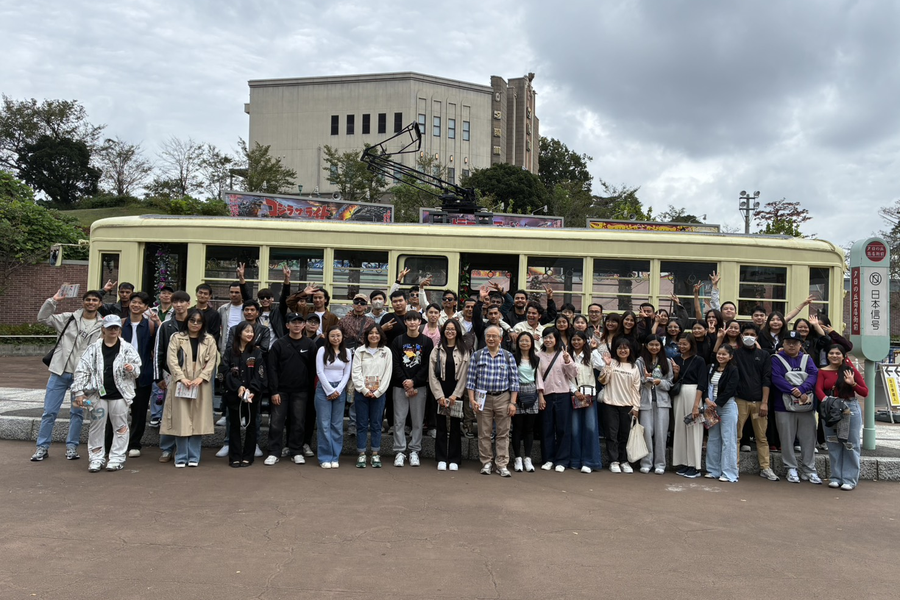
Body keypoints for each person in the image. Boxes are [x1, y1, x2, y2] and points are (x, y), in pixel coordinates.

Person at [32, 286, 104, 462]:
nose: (91, 302)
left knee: (78, 413)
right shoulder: (68, 318)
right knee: (49, 411)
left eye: (95, 300)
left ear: (100, 304)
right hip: (59, 373)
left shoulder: (103, 325)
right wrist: (53, 301)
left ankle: (71, 447)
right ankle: (42, 447)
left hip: (82, 379)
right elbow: (42, 318)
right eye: (88, 299)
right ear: (83, 302)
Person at [72, 314, 141, 472]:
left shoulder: (127, 348)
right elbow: (82, 370)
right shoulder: (93, 349)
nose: (113, 330)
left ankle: (117, 457)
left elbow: (137, 369)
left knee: (121, 427)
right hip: (97, 396)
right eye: (110, 327)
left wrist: (131, 368)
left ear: (119, 329)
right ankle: (96, 458)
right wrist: (79, 392)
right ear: (103, 329)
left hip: (120, 396)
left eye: (116, 327)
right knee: (97, 426)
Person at [161, 308, 217, 468]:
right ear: (187, 321)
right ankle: (181, 456)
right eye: (192, 320)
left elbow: (212, 361)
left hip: (201, 383)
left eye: (199, 321)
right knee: (181, 419)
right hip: (181, 382)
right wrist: (181, 378)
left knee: (197, 420)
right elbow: (171, 360)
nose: (195, 324)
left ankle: (194, 456)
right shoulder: (177, 338)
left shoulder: (209, 340)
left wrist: (201, 378)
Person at [466, 324, 519, 477]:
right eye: (488, 336)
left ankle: (502, 464)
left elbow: (514, 382)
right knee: (484, 432)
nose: (491, 338)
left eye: (494, 336)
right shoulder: (477, 355)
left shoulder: (508, 356)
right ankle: (486, 462)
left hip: (503, 397)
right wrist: (472, 400)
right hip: (483, 398)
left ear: (500, 339)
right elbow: (471, 381)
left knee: (503, 433)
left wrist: (512, 403)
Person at [265, 313, 316, 466]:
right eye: (293, 322)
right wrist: (273, 391)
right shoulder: (279, 344)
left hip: (301, 391)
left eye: (300, 322)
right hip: (280, 390)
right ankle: (274, 452)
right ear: (287, 325)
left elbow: (313, 369)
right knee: (276, 422)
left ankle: (296, 451)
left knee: (298, 422)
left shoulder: (310, 345)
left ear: (304, 325)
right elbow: (272, 369)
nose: (296, 325)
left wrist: (310, 390)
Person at [815, 344, 867, 490]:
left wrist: (853, 383)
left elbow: (864, 392)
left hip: (849, 409)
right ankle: (836, 477)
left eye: (838, 353)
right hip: (830, 408)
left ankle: (849, 479)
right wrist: (827, 401)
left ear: (844, 356)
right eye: (831, 353)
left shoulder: (850, 371)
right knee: (833, 443)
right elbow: (818, 389)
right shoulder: (822, 371)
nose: (834, 355)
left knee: (850, 444)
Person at [771, 331, 821, 484]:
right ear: (783, 344)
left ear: (801, 345)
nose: (791, 345)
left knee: (808, 438)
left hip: (806, 405)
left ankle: (809, 469)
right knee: (786, 438)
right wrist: (794, 390)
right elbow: (776, 377)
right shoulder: (776, 359)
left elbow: (814, 374)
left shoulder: (807, 358)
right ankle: (790, 468)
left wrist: (803, 389)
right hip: (783, 406)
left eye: (795, 342)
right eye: (788, 342)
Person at [733, 323, 779, 482]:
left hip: (760, 401)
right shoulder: (735, 354)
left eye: (753, 334)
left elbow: (767, 379)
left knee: (762, 437)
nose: (749, 337)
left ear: (757, 337)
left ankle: (765, 468)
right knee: (736, 436)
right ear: (741, 335)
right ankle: (734, 467)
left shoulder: (764, 355)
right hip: (740, 400)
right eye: (746, 333)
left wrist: (765, 402)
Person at [221, 320, 267, 467]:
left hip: (252, 395)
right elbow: (224, 372)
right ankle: (234, 456)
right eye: (246, 331)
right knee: (233, 425)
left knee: (251, 425)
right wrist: (238, 387)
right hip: (234, 394)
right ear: (239, 333)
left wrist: (251, 390)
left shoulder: (256, 351)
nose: (250, 334)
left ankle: (248, 455)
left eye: (251, 332)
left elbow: (260, 374)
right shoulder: (230, 351)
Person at [390, 311, 433, 467]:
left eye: (416, 319)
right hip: (399, 386)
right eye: (409, 320)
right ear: (406, 322)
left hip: (419, 387)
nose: (413, 322)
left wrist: (414, 381)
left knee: (417, 421)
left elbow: (427, 365)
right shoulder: (398, 340)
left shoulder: (427, 342)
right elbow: (395, 364)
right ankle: (400, 451)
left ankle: (414, 450)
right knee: (399, 420)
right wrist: (404, 381)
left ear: (420, 322)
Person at [153, 290, 191, 462]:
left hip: (191, 375)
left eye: (182, 302)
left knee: (188, 412)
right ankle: (167, 448)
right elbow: (158, 351)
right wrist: (158, 377)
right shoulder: (166, 325)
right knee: (169, 412)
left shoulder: (195, 323)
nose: (179, 305)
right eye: (176, 302)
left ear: (188, 304)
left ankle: (185, 449)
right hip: (170, 375)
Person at [428, 319, 470, 471]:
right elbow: (432, 375)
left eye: (453, 329)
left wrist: (456, 395)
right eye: (447, 329)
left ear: (457, 331)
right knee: (440, 425)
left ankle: (454, 458)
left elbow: (465, 375)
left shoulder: (464, 350)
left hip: (456, 392)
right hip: (440, 390)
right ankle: (440, 458)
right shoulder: (437, 350)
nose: (450, 331)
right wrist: (439, 395)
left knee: (454, 426)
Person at [351, 323, 393, 468]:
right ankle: (361, 454)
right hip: (362, 393)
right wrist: (364, 390)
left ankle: (375, 454)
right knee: (361, 424)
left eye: (377, 333)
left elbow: (388, 373)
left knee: (376, 424)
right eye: (371, 333)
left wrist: (379, 391)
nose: (374, 335)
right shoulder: (360, 351)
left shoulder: (386, 351)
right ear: (366, 335)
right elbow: (355, 373)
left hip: (379, 394)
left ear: (381, 335)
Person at [597, 337, 641, 473]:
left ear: (630, 350)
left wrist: (636, 407)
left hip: (627, 405)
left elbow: (636, 388)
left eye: (625, 348)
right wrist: (608, 366)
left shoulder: (634, 367)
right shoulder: (612, 363)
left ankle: (624, 460)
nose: (623, 350)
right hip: (610, 403)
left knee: (625, 435)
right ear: (616, 350)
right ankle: (614, 461)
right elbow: (603, 381)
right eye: (620, 348)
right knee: (612, 434)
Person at [120, 292, 155, 458]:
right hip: (121, 375)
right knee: (118, 410)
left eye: (140, 303)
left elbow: (158, 348)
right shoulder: (120, 324)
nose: (136, 305)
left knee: (139, 411)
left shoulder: (150, 325)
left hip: (143, 375)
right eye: (134, 302)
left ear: (146, 307)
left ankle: (134, 443)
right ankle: (118, 441)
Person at [537, 328, 576, 472]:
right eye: (545, 337)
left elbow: (572, 374)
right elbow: (538, 377)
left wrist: (567, 361)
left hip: (563, 394)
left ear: (556, 339)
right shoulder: (538, 356)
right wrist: (540, 395)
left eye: (551, 338)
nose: (548, 340)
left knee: (563, 428)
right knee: (546, 428)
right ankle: (548, 459)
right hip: (546, 395)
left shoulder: (563, 355)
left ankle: (562, 460)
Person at [671, 332, 708, 479]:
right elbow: (674, 382)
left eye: (685, 344)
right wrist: (676, 373)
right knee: (680, 429)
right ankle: (684, 462)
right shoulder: (675, 359)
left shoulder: (699, 360)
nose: (682, 346)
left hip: (694, 394)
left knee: (694, 429)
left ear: (692, 344)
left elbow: (702, 383)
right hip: (679, 395)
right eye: (680, 344)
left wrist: (696, 405)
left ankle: (694, 465)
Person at [635, 335, 674, 475]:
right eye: (651, 344)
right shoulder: (640, 361)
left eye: (657, 345)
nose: (654, 347)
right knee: (646, 433)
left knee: (661, 434)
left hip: (662, 402)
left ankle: (660, 463)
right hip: (645, 402)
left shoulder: (667, 361)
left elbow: (669, 383)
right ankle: (646, 462)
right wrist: (646, 380)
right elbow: (636, 381)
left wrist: (659, 382)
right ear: (646, 345)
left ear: (661, 346)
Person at [315, 326, 352, 468]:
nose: (335, 338)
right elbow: (320, 371)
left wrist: (338, 390)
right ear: (328, 337)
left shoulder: (347, 352)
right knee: (324, 424)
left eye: (338, 335)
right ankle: (325, 457)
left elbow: (346, 373)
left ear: (342, 337)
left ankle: (335, 457)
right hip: (324, 389)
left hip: (340, 389)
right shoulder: (322, 350)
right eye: (332, 336)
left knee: (336, 425)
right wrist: (330, 390)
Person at [703, 345, 740, 482]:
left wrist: (716, 403)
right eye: (719, 354)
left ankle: (729, 473)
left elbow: (730, 389)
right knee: (713, 438)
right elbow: (703, 385)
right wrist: (707, 400)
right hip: (710, 406)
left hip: (727, 406)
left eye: (724, 354)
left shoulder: (733, 370)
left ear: (730, 357)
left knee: (728, 439)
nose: (721, 356)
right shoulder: (710, 368)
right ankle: (713, 470)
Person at [569, 332, 602, 473]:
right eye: (574, 339)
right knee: (575, 429)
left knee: (590, 428)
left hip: (589, 396)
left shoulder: (590, 356)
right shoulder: (568, 356)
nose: (576, 342)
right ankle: (575, 460)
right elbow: (566, 376)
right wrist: (575, 391)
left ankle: (589, 461)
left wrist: (594, 349)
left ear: (584, 341)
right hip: (574, 395)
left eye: (579, 340)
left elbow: (601, 367)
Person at [511, 331, 543, 473]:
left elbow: (539, 378)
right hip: (517, 391)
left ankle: (528, 458)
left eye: (527, 341)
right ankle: (517, 458)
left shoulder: (536, 359)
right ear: (518, 343)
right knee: (517, 427)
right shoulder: (513, 358)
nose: (524, 343)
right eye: (522, 341)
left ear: (532, 343)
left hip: (532, 392)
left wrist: (541, 395)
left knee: (529, 428)